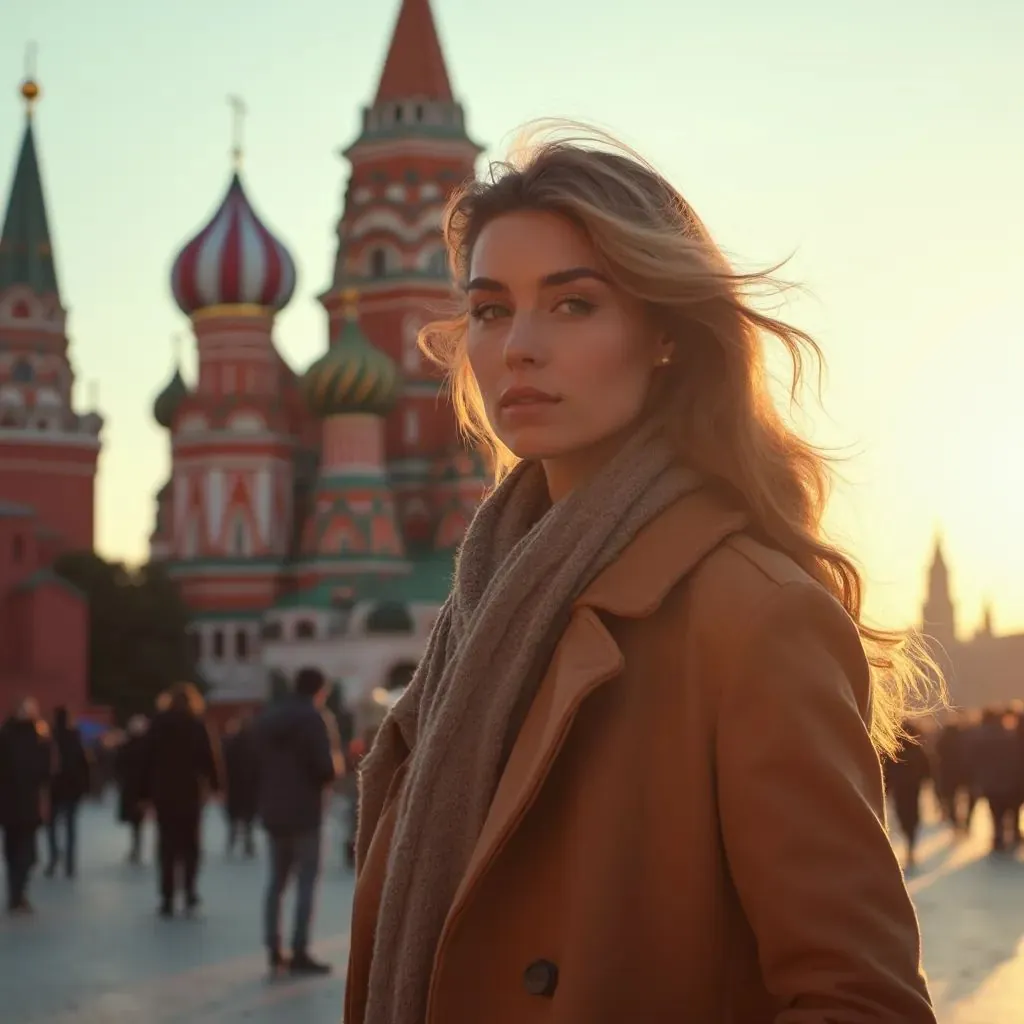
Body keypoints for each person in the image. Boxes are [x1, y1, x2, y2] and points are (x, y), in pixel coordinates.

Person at [345, 124, 941, 1024]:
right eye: (492, 309)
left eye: (573, 305)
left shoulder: (751, 618)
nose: (519, 348)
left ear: (665, 333)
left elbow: (862, 998)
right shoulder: (481, 613)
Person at [256, 667, 341, 975]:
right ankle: (300, 949)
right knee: (306, 882)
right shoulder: (314, 719)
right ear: (319, 690)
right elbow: (325, 768)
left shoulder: (268, 718)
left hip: (274, 811)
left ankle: (273, 948)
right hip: (306, 812)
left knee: (276, 883)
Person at [140, 682, 220, 917]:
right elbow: (210, 759)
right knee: (190, 845)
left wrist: (144, 794)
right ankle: (190, 891)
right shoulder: (198, 725)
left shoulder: (158, 725)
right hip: (191, 792)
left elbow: (145, 760)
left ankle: (166, 897)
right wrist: (217, 786)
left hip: (164, 792)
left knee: (166, 845)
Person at [0, 698, 52, 914]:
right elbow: (44, 772)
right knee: (25, 853)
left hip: (9, 805)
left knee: (14, 852)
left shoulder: (5, 735)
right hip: (24, 804)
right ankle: (18, 894)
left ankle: (15, 895)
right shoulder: (36, 738)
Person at [45, 706, 92, 879]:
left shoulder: (50, 738)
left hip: (54, 790)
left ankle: (53, 857)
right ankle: (70, 865)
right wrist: (85, 788)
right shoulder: (75, 737)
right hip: (72, 789)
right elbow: (84, 765)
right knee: (71, 828)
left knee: (51, 828)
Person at [884, 720, 932, 871]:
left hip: (899, 788)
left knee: (902, 813)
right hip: (913, 788)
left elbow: (886, 770)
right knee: (913, 814)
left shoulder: (893, 749)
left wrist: (887, 787)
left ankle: (907, 839)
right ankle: (911, 842)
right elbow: (927, 767)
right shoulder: (918, 748)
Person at [222, 714, 259, 858]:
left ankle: (232, 843)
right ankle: (247, 845)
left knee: (234, 819)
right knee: (248, 820)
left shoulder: (231, 743)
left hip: (235, 786)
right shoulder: (255, 744)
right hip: (249, 786)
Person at [114, 716, 149, 864]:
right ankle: (137, 849)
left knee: (135, 822)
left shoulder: (126, 746)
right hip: (143, 789)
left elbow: (118, 766)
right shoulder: (147, 747)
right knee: (138, 822)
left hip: (130, 789)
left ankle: (135, 849)